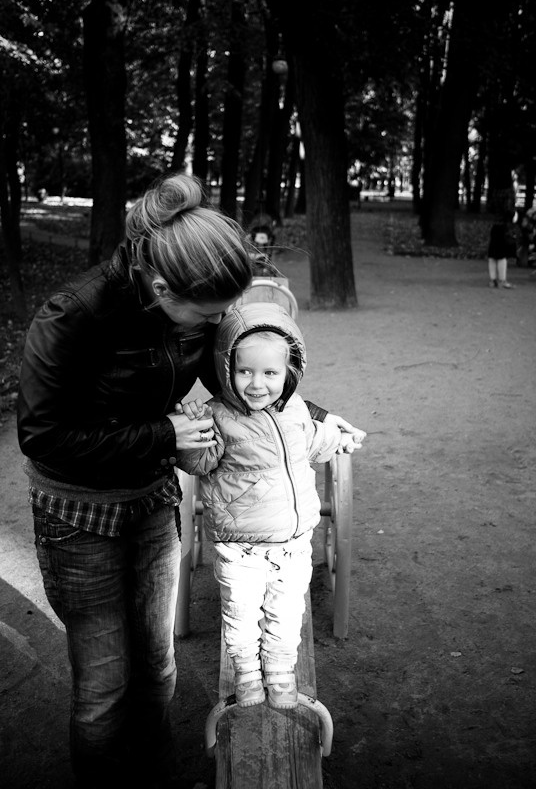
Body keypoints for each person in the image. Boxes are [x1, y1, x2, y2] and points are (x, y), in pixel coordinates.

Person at [16, 173, 363, 787]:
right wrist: (164, 435)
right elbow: (44, 438)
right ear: (159, 287)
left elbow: (245, 390)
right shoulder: (73, 316)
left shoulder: (198, 315)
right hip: (79, 515)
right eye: (205, 317)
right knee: (103, 684)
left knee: (157, 665)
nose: (212, 327)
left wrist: (314, 417)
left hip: (150, 499)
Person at [175, 302, 366, 710]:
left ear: (289, 373)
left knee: (285, 617)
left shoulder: (295, 411)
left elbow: (316, 441)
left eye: (270, 373)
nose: (257, 384)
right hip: (240, 550)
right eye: (245, 371)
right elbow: (197, 463)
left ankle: (280, 677)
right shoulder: (218, 417)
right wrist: (193, 433)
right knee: (242, 620)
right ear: (226, 369)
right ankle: (246, 678)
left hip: (293, 546)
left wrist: (342, 439)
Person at [487, 219, 516, 288]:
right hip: (502, 225)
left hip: (496, 224)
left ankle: (493, 280)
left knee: (493, 256)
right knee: (501, 257)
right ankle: (502, 280)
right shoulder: (504, 226)